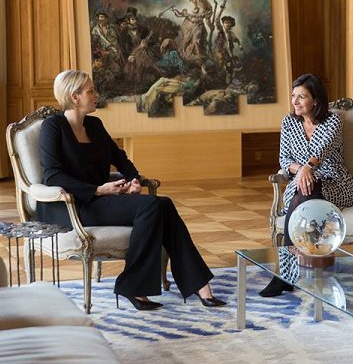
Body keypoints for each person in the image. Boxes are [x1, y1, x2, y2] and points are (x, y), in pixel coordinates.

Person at [37, 69, 226, 310]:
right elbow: (52, 175)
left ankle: (196, 285)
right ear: (75, 97)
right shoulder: (53, 127)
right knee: (153, 206)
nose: (96, 95)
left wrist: (134, 179)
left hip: (98, 200)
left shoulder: (94, 125)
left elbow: (120, 158)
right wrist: (99, 190)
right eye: (91, 91)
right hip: (69, 206)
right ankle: (142, 286)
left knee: (163, 204)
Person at [259, 73, 353, 297]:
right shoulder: (288, 122)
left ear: (316, 100)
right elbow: (284, 160)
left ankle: (284, 274)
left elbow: (321, 152)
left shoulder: (333, 121)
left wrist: (307, 168)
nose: (295, 101)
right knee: (304, 191)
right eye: (293, 96)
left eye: (301, 97)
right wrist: (302, 170)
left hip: (335, 183)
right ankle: (294, 271)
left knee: (307, 190)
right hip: (301, 184)